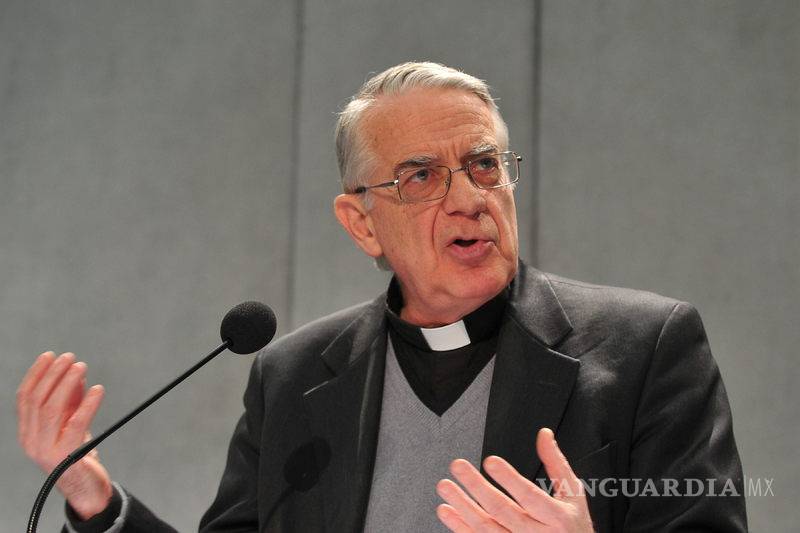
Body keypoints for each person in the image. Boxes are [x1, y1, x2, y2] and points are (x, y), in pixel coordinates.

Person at [16, 62, 747, 532]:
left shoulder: (647, 348)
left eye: (484, 165)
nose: (470, 199)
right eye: (422, 177)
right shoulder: (293, 376)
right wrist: (97, 501)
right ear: (361, 222)